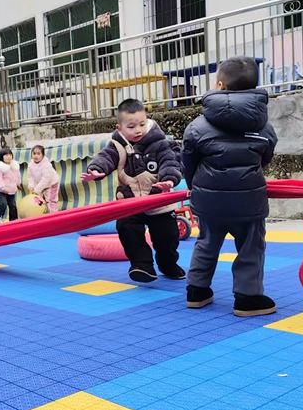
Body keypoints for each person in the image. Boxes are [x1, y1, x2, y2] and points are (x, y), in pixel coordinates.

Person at [182, 56, 278, 317]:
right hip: (249, 201)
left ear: (221, 86)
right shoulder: (264, 127)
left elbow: (188, 161)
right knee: (251, 246)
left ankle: (197, 291)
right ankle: (248, 298)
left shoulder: (198, 126)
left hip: (209, 200)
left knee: (206, 242)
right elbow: (265, 159)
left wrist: (195, 187)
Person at [81, 99, 184, 283]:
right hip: (130, 201)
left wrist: (169, 179)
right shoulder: (118, 145)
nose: (138, 130)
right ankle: (141, 265)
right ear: (119, 128)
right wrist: (96, 170)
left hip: (158, 200)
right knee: (127, 229)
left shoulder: (160, 143)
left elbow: (171, 160)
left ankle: (167, 263)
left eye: (142, 124)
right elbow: (106, 157)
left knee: (167, 236)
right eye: (131, 126)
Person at [27, 145, 61, 213]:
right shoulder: (30, 165)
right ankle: (45, 215)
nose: (36, 156)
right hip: (41, 185)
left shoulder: (46, 164)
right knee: (41, 201)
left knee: (50, 200)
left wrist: (36, 190)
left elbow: (46, 179)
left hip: (51, 184)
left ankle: (54, 215)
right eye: (34, 153)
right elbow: (30, 176)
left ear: (43, 155)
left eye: (38, 154)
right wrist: (31, 186)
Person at [0, 147, 21, 223]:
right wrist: (3, 187)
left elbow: (17, 176)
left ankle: (13, 219)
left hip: (11, 189)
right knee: (4, 203)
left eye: (10, 155)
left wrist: (18, 184)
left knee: (12, 205)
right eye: (6, 155)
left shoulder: (14, 166)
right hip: (1, 190)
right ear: (1, 157)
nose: (9, 156)